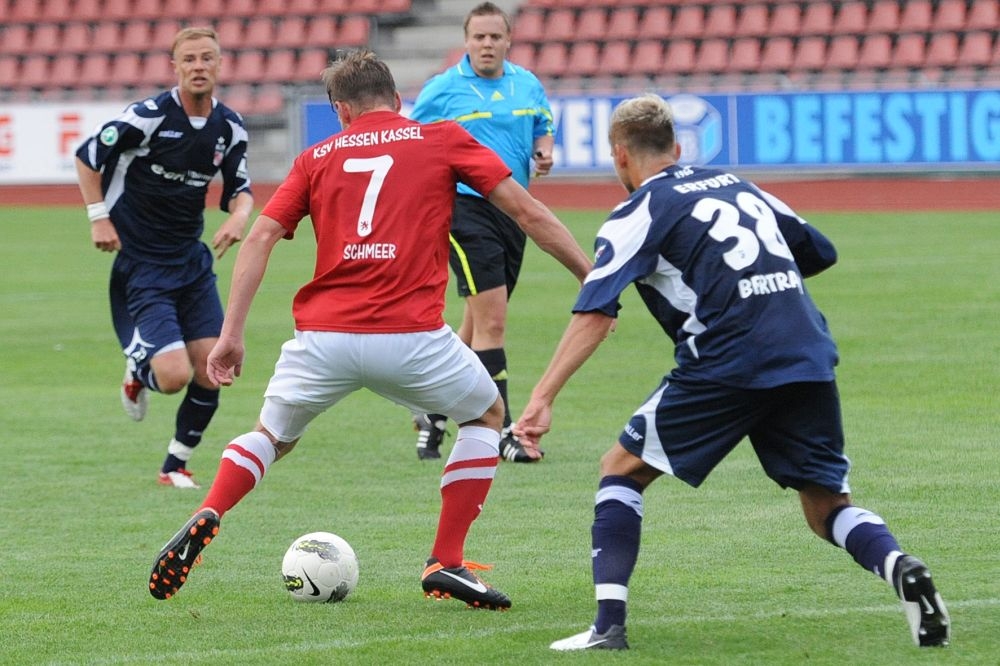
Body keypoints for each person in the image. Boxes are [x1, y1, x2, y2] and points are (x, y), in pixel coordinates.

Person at [147, 49, 591, 609]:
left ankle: (209, 509)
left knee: (272, 435)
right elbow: (526, 212)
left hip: (323, 339)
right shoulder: (442, 139)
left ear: (340, 110)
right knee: (486, 416)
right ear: (398, 102)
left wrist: (232, 333)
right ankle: (446, 561)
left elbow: (258, 238)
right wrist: (588, 274)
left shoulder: (317, 156)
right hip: (411, 337)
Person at [514, 94, 950, 651]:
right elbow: (818, 251)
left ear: (619, 157)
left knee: (620, 470)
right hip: (805, 353)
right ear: (676, 147)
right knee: (825, 509)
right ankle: (901, 567)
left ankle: (608, 627)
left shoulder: (637, 211)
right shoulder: (740, 185)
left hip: (727, 359)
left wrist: (542, 397)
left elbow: (596, 311)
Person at [75, 26, 253, 489]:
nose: (199, 66)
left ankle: (175, 465)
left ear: (219, 64)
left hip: (191, 264)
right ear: (174, 66)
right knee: (173, 377)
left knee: (215, 369)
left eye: (207, 58)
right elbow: (86, 156)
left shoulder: (229, 127)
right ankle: (139, 371)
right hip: (143, 264)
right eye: (189, 59)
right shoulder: (148, 116)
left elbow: (241, 192)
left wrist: (238, 218)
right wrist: (99, 217)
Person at [407, 2, 555, 463]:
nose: (487, 44)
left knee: (475, 323)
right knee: (493, 321)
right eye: (479, 37)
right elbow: (410, 140)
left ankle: (433, 411)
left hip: (515, 212)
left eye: (495, 37)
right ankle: (503, 430)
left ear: (508, 40)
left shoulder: (526, 83)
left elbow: (543, 124)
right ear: (466, 41)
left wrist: (543, 151)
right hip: (464, 210)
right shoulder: (443, 90)